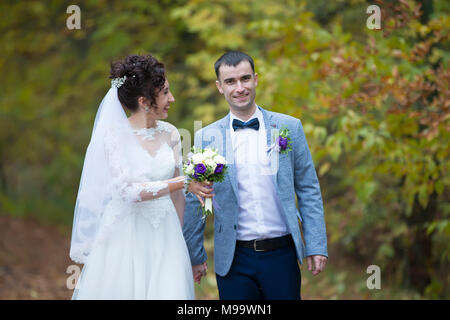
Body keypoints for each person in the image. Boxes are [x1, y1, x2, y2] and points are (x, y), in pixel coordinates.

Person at [183, 50, 328, 300]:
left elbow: (308, 188)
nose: (240, 87)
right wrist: (195, 254)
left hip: (281, 253)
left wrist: (316, 244)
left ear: (256, 79)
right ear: (219, 87)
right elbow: (196, 199)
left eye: (245, 79)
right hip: (233, 257)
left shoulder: (289, 127)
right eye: (230, 81)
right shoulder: (206, 136)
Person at [69, 54, 213, 299]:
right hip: (125, 238)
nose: (172, 99)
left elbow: (179, 197)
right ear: (145, 101)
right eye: (165, 93)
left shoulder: (171, 134)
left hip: (167, 237)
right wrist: (184, 182)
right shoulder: (113, 137)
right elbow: (128, 191)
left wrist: (182, 244)